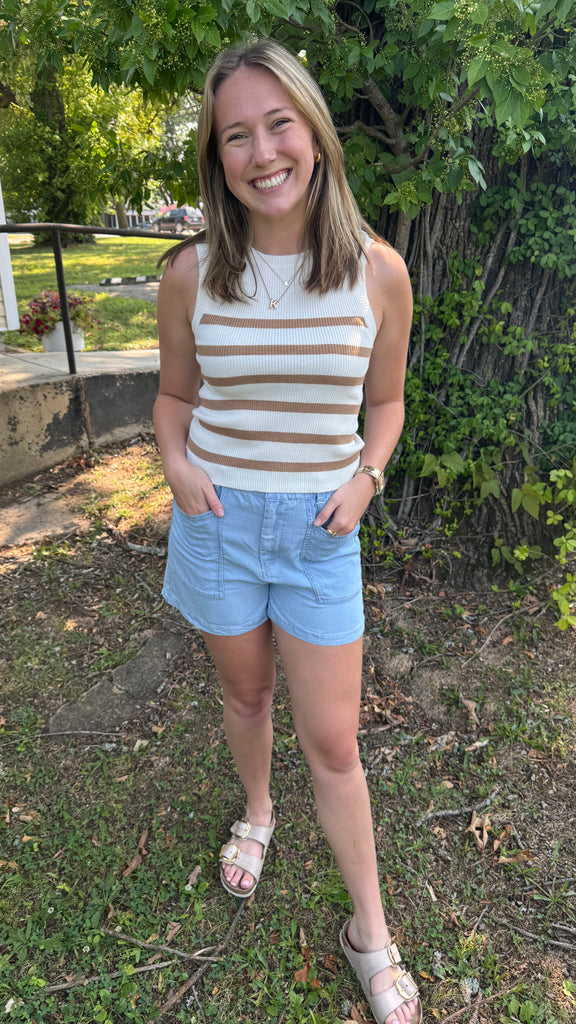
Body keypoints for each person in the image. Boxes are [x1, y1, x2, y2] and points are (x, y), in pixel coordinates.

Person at [152, 38, 420, 1024]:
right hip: (218, 521)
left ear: (313, 133)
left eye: (278, 124)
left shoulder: (377, 274)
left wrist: (368, 476)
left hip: (317, 533)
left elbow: (384, 404)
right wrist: (176, 465)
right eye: (236, 135)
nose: (262, 151)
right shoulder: (191, 275)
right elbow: (174, 399)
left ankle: (369, 932)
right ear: (217, 158)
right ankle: (258, 814)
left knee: (335, 741)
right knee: (244, 689)